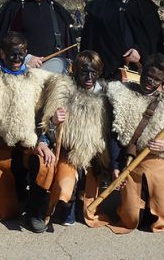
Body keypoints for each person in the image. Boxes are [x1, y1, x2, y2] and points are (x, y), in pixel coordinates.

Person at [106, 53, 164, 233]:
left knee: (159, 215)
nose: (150, 82)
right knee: (131, 217)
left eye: (156, 79)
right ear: (141, 71)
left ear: (163, 80)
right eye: (147, 76)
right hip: (132, 162)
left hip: (160, 163)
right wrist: (116, 165)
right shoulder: (122, 95)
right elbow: (115, 134)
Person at [0, 31, 55, 232]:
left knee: (46, 163)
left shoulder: (38, 79)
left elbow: (42, 116)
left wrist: (43, 140)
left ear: (26, 53)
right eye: (12, 54)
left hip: (29, 143)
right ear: (2, 53)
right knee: (7, 212)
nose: (17, 60)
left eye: (21, 54)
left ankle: (34, 211)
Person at [39, 50, 111, 227]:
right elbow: (46, 126)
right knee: (65, 186)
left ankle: (82, 200)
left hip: (95, 155)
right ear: (75, 71)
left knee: (88, 212)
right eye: (84, 72)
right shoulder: (63, 91)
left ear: (99, 72)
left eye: (93, 72)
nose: (88, 77)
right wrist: (54, 121)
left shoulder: (107, 96)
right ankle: (65, 203)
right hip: (68, 152)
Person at [81, 0, 164, 79]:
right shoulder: (98, 8)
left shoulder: (147, 7)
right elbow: (88, 43)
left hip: (141, 75)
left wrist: (139, 50)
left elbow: (155, 41)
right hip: (105, 74)